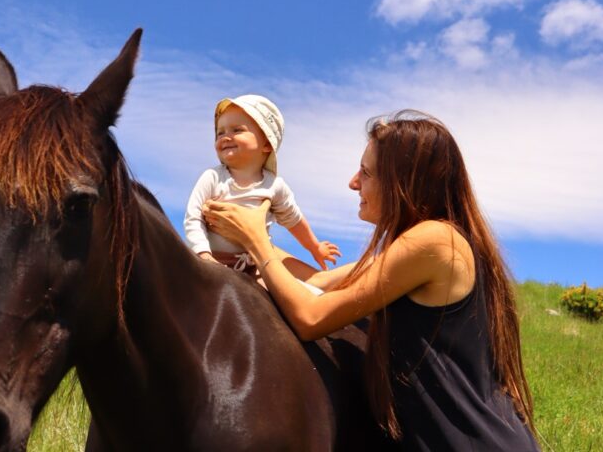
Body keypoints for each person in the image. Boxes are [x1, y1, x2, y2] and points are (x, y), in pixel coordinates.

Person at [202, 110, 540, 451]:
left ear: (405, 181)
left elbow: (311, 318)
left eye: (366, 172)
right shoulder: (417, 249)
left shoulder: (436, 242)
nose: (353, 182)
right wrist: (242, 240)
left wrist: (257, 243)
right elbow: (319, 281)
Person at [185, 94, 340, 275]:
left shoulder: (274, 186)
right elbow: (193, 218)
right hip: (211, 261)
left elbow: (293, 219)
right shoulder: (213, 178)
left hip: (255, 265)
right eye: (220, 132)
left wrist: (315, 247)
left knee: (275, 298)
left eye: (237, 130)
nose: (226, 137)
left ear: (266, 143)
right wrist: (203, 255)